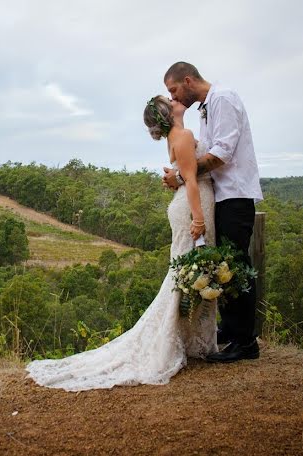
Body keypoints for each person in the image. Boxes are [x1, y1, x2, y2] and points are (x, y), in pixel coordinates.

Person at [25, 95, 218, 391]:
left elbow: (182, 174)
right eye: (169, 98)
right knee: (188, 272)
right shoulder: (183, 135)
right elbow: (191, 180)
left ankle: (194, 340)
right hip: (194, 206)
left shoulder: (176, 137)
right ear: (168, 112)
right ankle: (184, 341)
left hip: (187, 205)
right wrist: (199, 220)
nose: (175, 98)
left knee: (186, 273)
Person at [162, 61, 263, 363]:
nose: (174, 97)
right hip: (221, 195)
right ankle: (231, 330)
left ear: (188, 80)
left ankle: (246, 342)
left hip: (236, 194)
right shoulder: (207, 106)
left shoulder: (223, 99)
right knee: (225, 265)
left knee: (237, 265)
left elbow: (222, 153)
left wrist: (181, 176)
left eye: (174, 90)